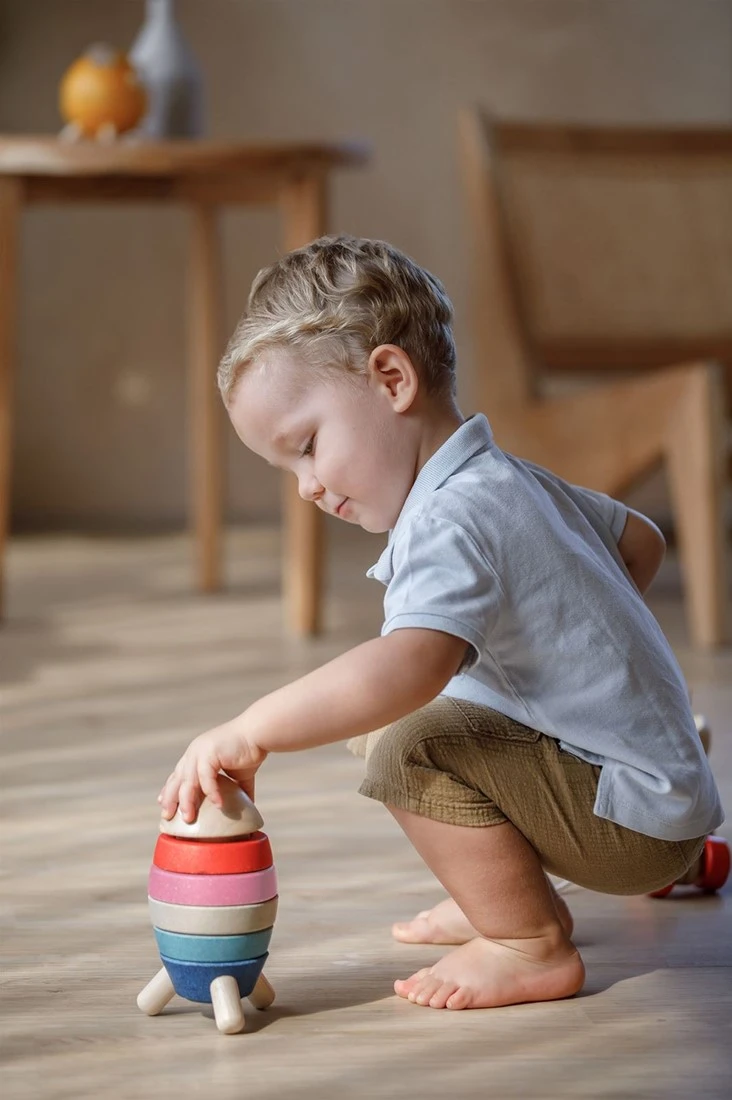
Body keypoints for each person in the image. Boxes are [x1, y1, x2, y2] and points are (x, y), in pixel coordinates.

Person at [158, 235, 724, 1011]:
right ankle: (510, 885)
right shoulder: (507, 477)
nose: (307, 487)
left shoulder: (448, 520)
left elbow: (407, 669)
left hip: (634, 827)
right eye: (288, 469)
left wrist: (252, 729)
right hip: (661, 792)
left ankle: (527, 940)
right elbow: (641, 542)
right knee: (436, 712)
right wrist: (580, 658)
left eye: (309, 447)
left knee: (402, 739)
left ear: (392, 379)